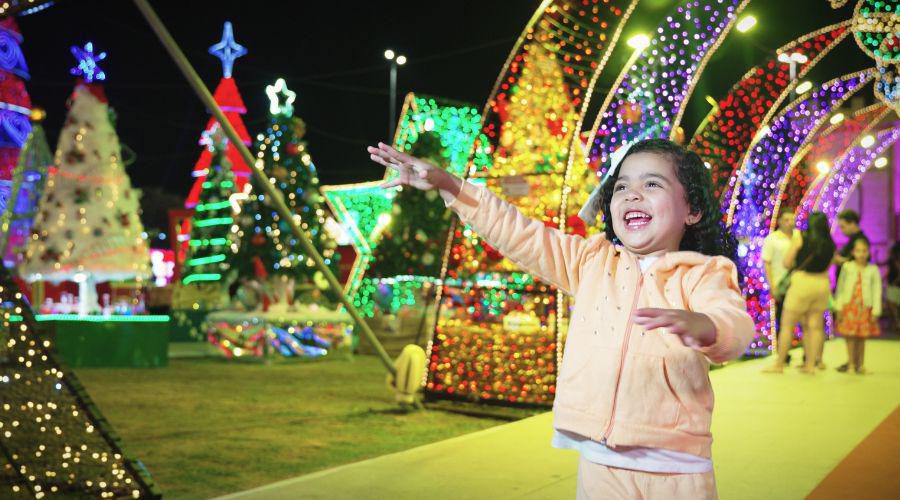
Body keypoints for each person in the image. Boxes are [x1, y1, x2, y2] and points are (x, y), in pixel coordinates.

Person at [368, 138, 754, 499]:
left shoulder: (703, 273)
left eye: (652, 184)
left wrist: (706, 327)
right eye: (621, 187)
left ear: (693, 209)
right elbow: (520, 234)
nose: (632, 193)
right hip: (600, 462)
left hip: (677, 468)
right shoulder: (590, 261)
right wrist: (450, 184)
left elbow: (732, 324)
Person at [765, 212, 836, 374]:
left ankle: (779, 365)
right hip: (822, 283)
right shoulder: (830, 244)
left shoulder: (801, 238)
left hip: (801, 283)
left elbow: (787, 262)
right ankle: (810, 365)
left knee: (787, 325)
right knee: (815, 327)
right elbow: (830, 263)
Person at [833, 238, 881, 374]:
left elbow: (877, 290)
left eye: (864, 251)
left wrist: (876, 310)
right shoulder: (847, 267)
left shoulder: (873, 269)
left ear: (868, 252)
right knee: (850, 337)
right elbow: (841, 287)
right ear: (853, 252)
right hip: (849, 306)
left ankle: (861, 364)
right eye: (858, 251)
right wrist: (839, 306)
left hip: (865, 307)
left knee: (862, 337)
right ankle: (851, 364)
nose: (861, 254)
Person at [833, 209, 868, 372]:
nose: (842, 230)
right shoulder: (855, 239)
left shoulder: (859, 241)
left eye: (843, 226)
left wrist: (838, 260)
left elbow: (856, 265)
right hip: (850, 293)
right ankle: (853, 362)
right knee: (851, 332)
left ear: (852, 223)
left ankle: (856, 362)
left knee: (855, 332)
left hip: (855, 294)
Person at [762, 207, 796, 364]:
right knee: (782, 320)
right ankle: (784, 353)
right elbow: (767, 263)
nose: (790, 222)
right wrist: (772, 285)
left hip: (798, 283)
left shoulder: (798, 236)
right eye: (787, 219)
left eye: (792, 219)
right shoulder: (772, 239)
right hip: (781, 284)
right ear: (780, 221)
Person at [886, 242, 900, 331]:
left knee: (892, 304)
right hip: (893, 284)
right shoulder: (892, 259)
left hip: (894, 285)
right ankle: (895, 323)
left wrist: (895, 282)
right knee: (892, 304)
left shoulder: (896, 259)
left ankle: (897, 322)